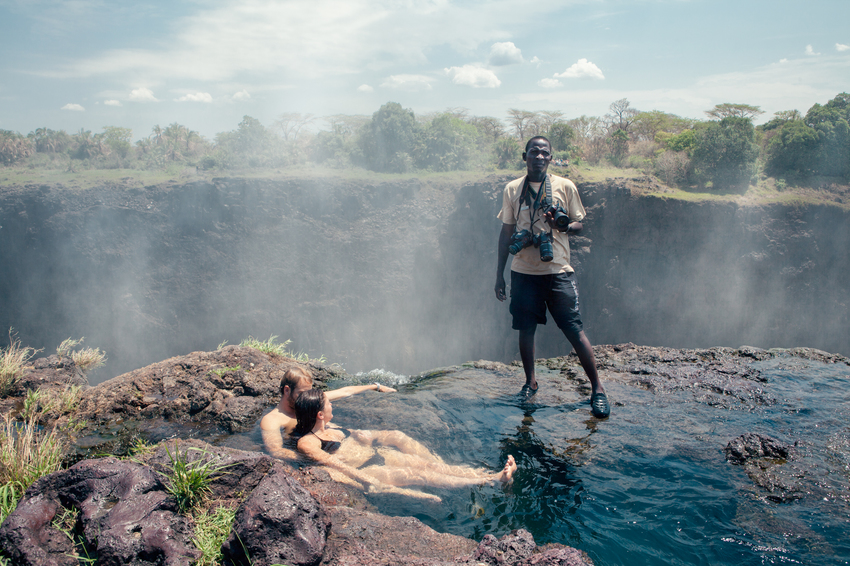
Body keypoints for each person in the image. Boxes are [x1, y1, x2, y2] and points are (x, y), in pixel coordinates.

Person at [494, 136, 610, 418]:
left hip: (558, 271)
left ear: (551, 158)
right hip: (523, 271)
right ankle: (530, 382)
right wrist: (499, 274)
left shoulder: (565, 186)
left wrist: (563, 226)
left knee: (573, 328)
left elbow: (580, 225)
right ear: (525, 156)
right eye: (534, 152)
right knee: (525, 329)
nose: (539, 157)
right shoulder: (512, 189)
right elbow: (507, 232)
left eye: (544, 153)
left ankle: (598, 389)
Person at [294, 389, 516, 499]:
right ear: (320, 414)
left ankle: (487, 474)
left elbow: (367, 436)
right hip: (367, 469)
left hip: (378, 454)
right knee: (422, 476)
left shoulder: (333, 427)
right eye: (329, 403)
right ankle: (492, 481)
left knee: (429, 466)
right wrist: (367, 480)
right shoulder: (307, 442)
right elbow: (334, 465)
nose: (333, 405)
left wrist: (369, 435)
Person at [260, 367, 398, 460]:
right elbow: (276, 451)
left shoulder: (309, 400)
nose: (307, 396)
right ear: (286, 390)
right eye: (302, 393)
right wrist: (321, 456)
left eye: (309, 392)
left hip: (340, 439)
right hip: (326, 451)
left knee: (396, 438)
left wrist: (375, 387)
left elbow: (345, 391)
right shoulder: (272, 420)